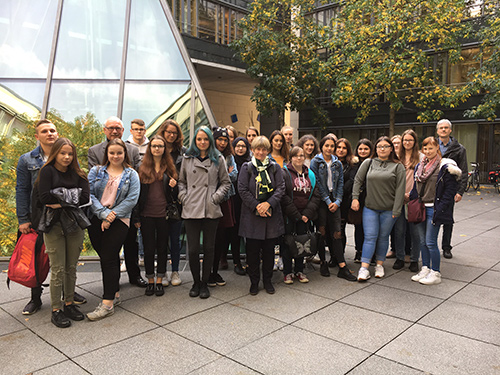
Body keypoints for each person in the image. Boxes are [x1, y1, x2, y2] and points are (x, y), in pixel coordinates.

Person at [16, 119, 86, 315]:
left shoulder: (68, 155)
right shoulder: (27, 160)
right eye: (45, 131)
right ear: (37, 136)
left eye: (53, 130)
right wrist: (23, 218)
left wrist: (63, 200)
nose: (50, 133)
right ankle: (35, 298)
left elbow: (79, 188)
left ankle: (68, 296)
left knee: (65, 261)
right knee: (39, 259)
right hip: (40, 216)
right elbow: (23, 190)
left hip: (68, 218)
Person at [35, 138, 90, 328]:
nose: (66, 157)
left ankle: (69, 304)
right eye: (62, 153)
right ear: (55, 153)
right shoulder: (47, 171)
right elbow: (44, 197)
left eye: (70, 153)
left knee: (71, 267)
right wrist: (71, 196)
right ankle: (56, 309)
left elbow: (84, 198)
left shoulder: (79, 173)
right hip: (54, 224)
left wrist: (60, 199)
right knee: (57, 268)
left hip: (74, 224)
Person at [88, 116, 146, 288]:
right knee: (107, 251)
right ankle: (112, 282)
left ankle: (134, 276)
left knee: (131, 244)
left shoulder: (132, 150)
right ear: (104, 130)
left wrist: (116, 214)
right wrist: (104, 214)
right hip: (99, 211)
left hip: (125, 210)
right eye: (111, 127)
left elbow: (134, 181)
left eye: (118, 128)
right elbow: (93, 185)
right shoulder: (94, 151)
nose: (114, 131)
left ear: (123, 131)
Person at [87, 139, 140, 320]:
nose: (116, 156)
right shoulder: (96, 171)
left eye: (119, 153)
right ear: (107, 154)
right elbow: (90, 194)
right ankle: (115, 292)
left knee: (109, 258)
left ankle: (107, 303)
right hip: (96, 218)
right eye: (112, 153)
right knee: (107, 258)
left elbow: (132, 199)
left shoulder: (131, 174)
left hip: (120, 220)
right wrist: (103, 214)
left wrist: (112, 215)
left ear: (125, 153)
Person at [178, 126, 231, 299]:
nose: (202, 142)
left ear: (210, 141)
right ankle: (195, 282)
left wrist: (215, 198)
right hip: (191, 207)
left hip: (210, 208)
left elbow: (226, 183)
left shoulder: (218, 159)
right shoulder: (187, 158)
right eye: (199, 139)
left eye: (205, 139)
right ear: (195, 140)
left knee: (209, 248)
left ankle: (205, 282)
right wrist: (184, 197)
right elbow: (181, 182)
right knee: (193, 250)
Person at [352, 136, 405, 281]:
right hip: (370, 208)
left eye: (386, 146)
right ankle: (364, 268)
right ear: (376, 149)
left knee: (383, 237)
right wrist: (355, 198)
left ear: (391, 149)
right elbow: (358, 180)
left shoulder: (398, 166)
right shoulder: (369, 163)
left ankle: (379, 265)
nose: (382, 149)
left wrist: (396, 210)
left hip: (389, 210)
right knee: (370, 237)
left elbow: (401, 189)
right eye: (379, 146)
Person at [410, 137, 461, 285]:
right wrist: (413, 200)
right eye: (425, 148)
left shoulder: (445, 167)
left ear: (437, 148)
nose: (427, 151)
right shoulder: (420, 165)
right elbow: (415, 187)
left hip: (434, 208)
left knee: (430, 241)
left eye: (431, 148)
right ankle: (425, 268)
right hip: (420, 207)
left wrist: (441, 208)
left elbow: (450, 191)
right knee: (422, 241)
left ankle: (435, 272)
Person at [238, 136, 285, 295]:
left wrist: (268, 204)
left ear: (268, 150)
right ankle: (254, 282)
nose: (261, 152)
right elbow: (242, 189)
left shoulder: (274, 168)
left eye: (264, 149)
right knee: (252, 252)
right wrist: (257, 206)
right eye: (258, 149)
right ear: (253, 150)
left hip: (271, 215)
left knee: (269, 252)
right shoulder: (247, 168)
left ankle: (268, 280)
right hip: (252, 216)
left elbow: (280, 188)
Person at [135, 135, 178, 296]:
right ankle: (150, 280)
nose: (157, 149)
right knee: (148, 249)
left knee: (162, 248)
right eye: (154, 146)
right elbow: (137, 194)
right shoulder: (143, 167)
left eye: (160, 146)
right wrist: (136, 217)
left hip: (163, 214)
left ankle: (160, 279)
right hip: (146, 214)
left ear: (164, 148)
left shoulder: (170, 167)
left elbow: (175, 194)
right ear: (150, 148)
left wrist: (174, 186)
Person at [310, 135, 356, 281]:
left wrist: (337, 200)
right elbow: (317, 183)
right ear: (322, 146)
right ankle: (323, 262)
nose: (329, 148)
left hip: (335, 200)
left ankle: (342, 266)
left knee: (337, 232)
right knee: (322, 232)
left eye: (332, 146)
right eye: (327, 146)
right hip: (322, 200)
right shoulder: (315, 162)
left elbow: (341, 183)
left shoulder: (337, 163)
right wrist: (328, 200)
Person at [281, 146, 320, 284]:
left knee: (302, 243)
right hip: (290, 216)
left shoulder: (310, 174)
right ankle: (287, 272)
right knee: (287, 243)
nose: (299, 158)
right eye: (296, 155)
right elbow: (283, 196)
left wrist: (307, 214)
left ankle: (299, 270)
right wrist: (297, 215)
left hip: (305, 216)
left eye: (302, 155)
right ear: (291, 157)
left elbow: (316, 195)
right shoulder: (284, 173)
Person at [158, 119, 186, 286]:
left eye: (174, 133)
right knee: (160, 241)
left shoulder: (182, 153)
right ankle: (162, 272)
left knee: (174, 239)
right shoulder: (155, 150)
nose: (171, 135)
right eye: (168, 132)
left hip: (175, 202)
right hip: (157, 201)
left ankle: (175, 271)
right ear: (163, 132)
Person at [209, 127, 238, 287]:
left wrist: (223, 174)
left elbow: (234, 175)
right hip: (211, 200)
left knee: (221, 237)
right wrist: (225, 173)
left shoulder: (229, 156)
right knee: (210, 239)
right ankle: (208, 272)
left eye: (225, 140)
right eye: (219, 139)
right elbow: (210, 176)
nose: (222, 142)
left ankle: (214, 272)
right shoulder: (209, 155)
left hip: (226, 201)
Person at [436, 119, 468, 259]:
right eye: (441, 128)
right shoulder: (431, 145)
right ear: (437, 130)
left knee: (447, 219)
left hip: (449, 188)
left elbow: (464, 171)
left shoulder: (459, 149)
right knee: (432, 217)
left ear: (450, 130)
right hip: (433, 187)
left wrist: (460, 191)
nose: (443, 130)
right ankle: (429, 245)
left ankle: (446, 247)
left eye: (446, 128)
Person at [392, 129, 422, 272]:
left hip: (414, 199)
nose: (407, 142)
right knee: (399, 231)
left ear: (415, 142)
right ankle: (400, 257)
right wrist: (400, 195)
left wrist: (411, 194)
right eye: (405, 140)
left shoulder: (421, 157)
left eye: (410, 140)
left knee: (415, 233)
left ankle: (415, 259)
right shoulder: (397, 157)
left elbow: (424, 180)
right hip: (399, 199)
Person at [228, 136, 252, 275]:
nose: (240, 148)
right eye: (238, 146)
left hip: (247, 202)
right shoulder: (231, 161)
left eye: (243, 146)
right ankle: (237, 262)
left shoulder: (251, 162)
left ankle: (250, 261)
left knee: (249, 234)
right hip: (234, 201)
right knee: (235, 233)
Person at [335, 138, 358, 271]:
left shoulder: (352, 164)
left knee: (341, 229)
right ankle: (334, 256)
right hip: (331, 201)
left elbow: (352, 180)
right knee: (333, 230)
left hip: (343, 201)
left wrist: (339, 193)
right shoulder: (331, 162)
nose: (341, 150)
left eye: (344, 148)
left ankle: (340, 257)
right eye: (338, 147)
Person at [352, 138, 374, 263]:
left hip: (372, 199)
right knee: (359, 227)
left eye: (366, 149)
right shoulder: (353, 164)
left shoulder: (374, 163)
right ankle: (359, 251)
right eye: (360, 149)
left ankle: (372, 253)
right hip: (359, 200)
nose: (363, 151)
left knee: (371, 228)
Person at [387, 134, 403, 259]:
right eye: (394, 143)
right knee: (392, 227)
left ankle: (403, 252)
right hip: (388, 196)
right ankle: (393, 249)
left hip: (405, 196)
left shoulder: (404, 158)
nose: (396, 145)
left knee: (402, 228)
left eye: (399, 143)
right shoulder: (387, 159)